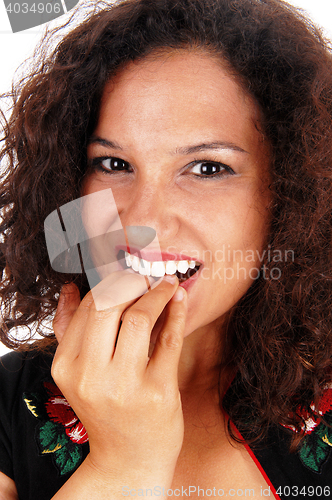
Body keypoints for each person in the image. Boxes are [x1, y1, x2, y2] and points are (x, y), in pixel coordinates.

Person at [0, 0, 332, 498]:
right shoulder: (8, 403)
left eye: (206, 168)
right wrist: (123, 463)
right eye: (112, 164)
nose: (143, 220)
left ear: (292, 193)